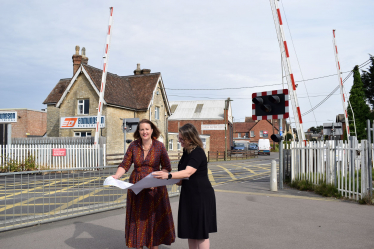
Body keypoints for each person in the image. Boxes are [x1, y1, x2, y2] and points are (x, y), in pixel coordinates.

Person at [112, 119, 175, 249]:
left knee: (153, 220)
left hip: (155, 189)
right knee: (138, 220)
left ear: (152, 130)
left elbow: (166, 167)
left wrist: (156, 180)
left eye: (147, 129)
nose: (144, 132)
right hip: (137, 188)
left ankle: (153, 245)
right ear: (138, 131)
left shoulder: (159, 146)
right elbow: (125, 164)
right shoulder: (133, 146)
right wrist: (117, 176)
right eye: (142, 129)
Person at [153, 123, 217, 249]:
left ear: (190, 138)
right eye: (179, 138)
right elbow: (182, 178)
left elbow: (188, 172)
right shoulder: (186, 152)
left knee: (201, 232)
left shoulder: (198, 152)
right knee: (191, 230)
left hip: (201, 196)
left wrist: (169, 176)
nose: (179, 141)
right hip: (188, 195)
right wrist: (169, 177)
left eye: (182, 139)